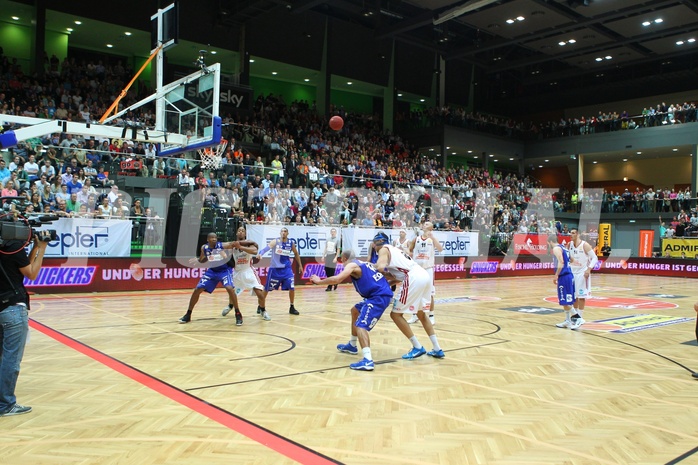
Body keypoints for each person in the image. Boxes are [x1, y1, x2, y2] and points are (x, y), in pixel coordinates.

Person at [310, 249, 394, 371]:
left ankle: (368, 360)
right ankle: (352, 345)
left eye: (341, 260)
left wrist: (319, 281)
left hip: (378, 297)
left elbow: (337, 279)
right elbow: (384, 277)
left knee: (361, 326)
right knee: (355, 310)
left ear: (343, 258)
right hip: (376, 295)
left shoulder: (351, 265)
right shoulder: (365, 263)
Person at [0, 228, 51, 416]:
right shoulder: (14, 248)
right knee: (11, 359)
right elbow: (31, 274)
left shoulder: (10, 249)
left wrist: (34, 248)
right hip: (13, 308)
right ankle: (5, 404)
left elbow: (20, 266)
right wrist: (43, 248)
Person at [372, 232, 444, 359]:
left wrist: (367, 266)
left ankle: (417, 347)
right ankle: (437, 348)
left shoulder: (383, 250)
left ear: (376, 243)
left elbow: (380, 268)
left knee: (395, 314)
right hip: (422, 275)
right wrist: (388, 283)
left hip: (413, 277)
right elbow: (397, 276)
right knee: (421, 314)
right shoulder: (394, 250)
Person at [179, 232, 242, 326]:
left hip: (224, 270)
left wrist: (234, 246)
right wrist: (198, 260)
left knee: (230, 288)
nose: (214, 239)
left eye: (215, 238)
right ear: (208, 239)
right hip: (212, 271)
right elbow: (203, 259)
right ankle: (188, 314)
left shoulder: (222, 245)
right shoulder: (204, 248)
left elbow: (232, 244)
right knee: (197, 289)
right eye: (212, 238)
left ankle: (238, 313)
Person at [227, 226, 271, 321]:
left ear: (245, 234)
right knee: (232, 293)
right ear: (236, 233)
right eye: (239, 230)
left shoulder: (249, 243)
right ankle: (230, 306)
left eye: (243, 231)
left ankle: (263, 310)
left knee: (260, 294)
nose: (241, 232)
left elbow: (254, 251)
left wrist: (241, 247)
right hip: (237, 272)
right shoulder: (233, 245)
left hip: (248, 271)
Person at [257, 226, 303, 315]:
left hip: (286, 269)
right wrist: (260, 253)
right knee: (267, 289)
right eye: (282, 231)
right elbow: (267, 248)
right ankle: (260, 305)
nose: (283, 233)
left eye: (285, 231)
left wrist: (300, 266)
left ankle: (292, 306)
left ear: (287, 233)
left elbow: (296, 253)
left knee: (292, 287)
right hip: (274, 270)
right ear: (280, 233)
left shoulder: (291, 243)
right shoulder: (276, 241)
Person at [408, 222, 443, 325]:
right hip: (417, 269)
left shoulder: (432, 239)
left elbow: (440, 249)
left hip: (428, 269)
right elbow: (409, 250)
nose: (424, 224)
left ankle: (431, 316)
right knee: (415, 292)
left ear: (431, 228)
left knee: (430, 294)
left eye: (427, 224)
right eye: (424, 223)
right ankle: (414, 315)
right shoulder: (416, 239)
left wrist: (433, 238)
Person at [566, 227, 598, 330]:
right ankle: (575, 318)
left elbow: (595, 258)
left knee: (581, 296)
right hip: (572, 273)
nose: (571, 235)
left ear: (578, 234)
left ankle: (580, 318)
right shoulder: (569, 245)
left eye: (573, 233)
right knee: (574, 297)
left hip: (582, 273)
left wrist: (588, 269)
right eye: (570, 233)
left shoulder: (585, 245)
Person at [548, 234, 576, 329]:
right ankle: (567, 321)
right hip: (569, 275)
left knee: (564, 300)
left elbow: (561, 261)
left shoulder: (556, 249)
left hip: (564, 276)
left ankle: (578, 318)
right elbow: (571, 260)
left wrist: (556, 275)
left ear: (550, 242)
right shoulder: (564, 248)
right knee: (566, 300)